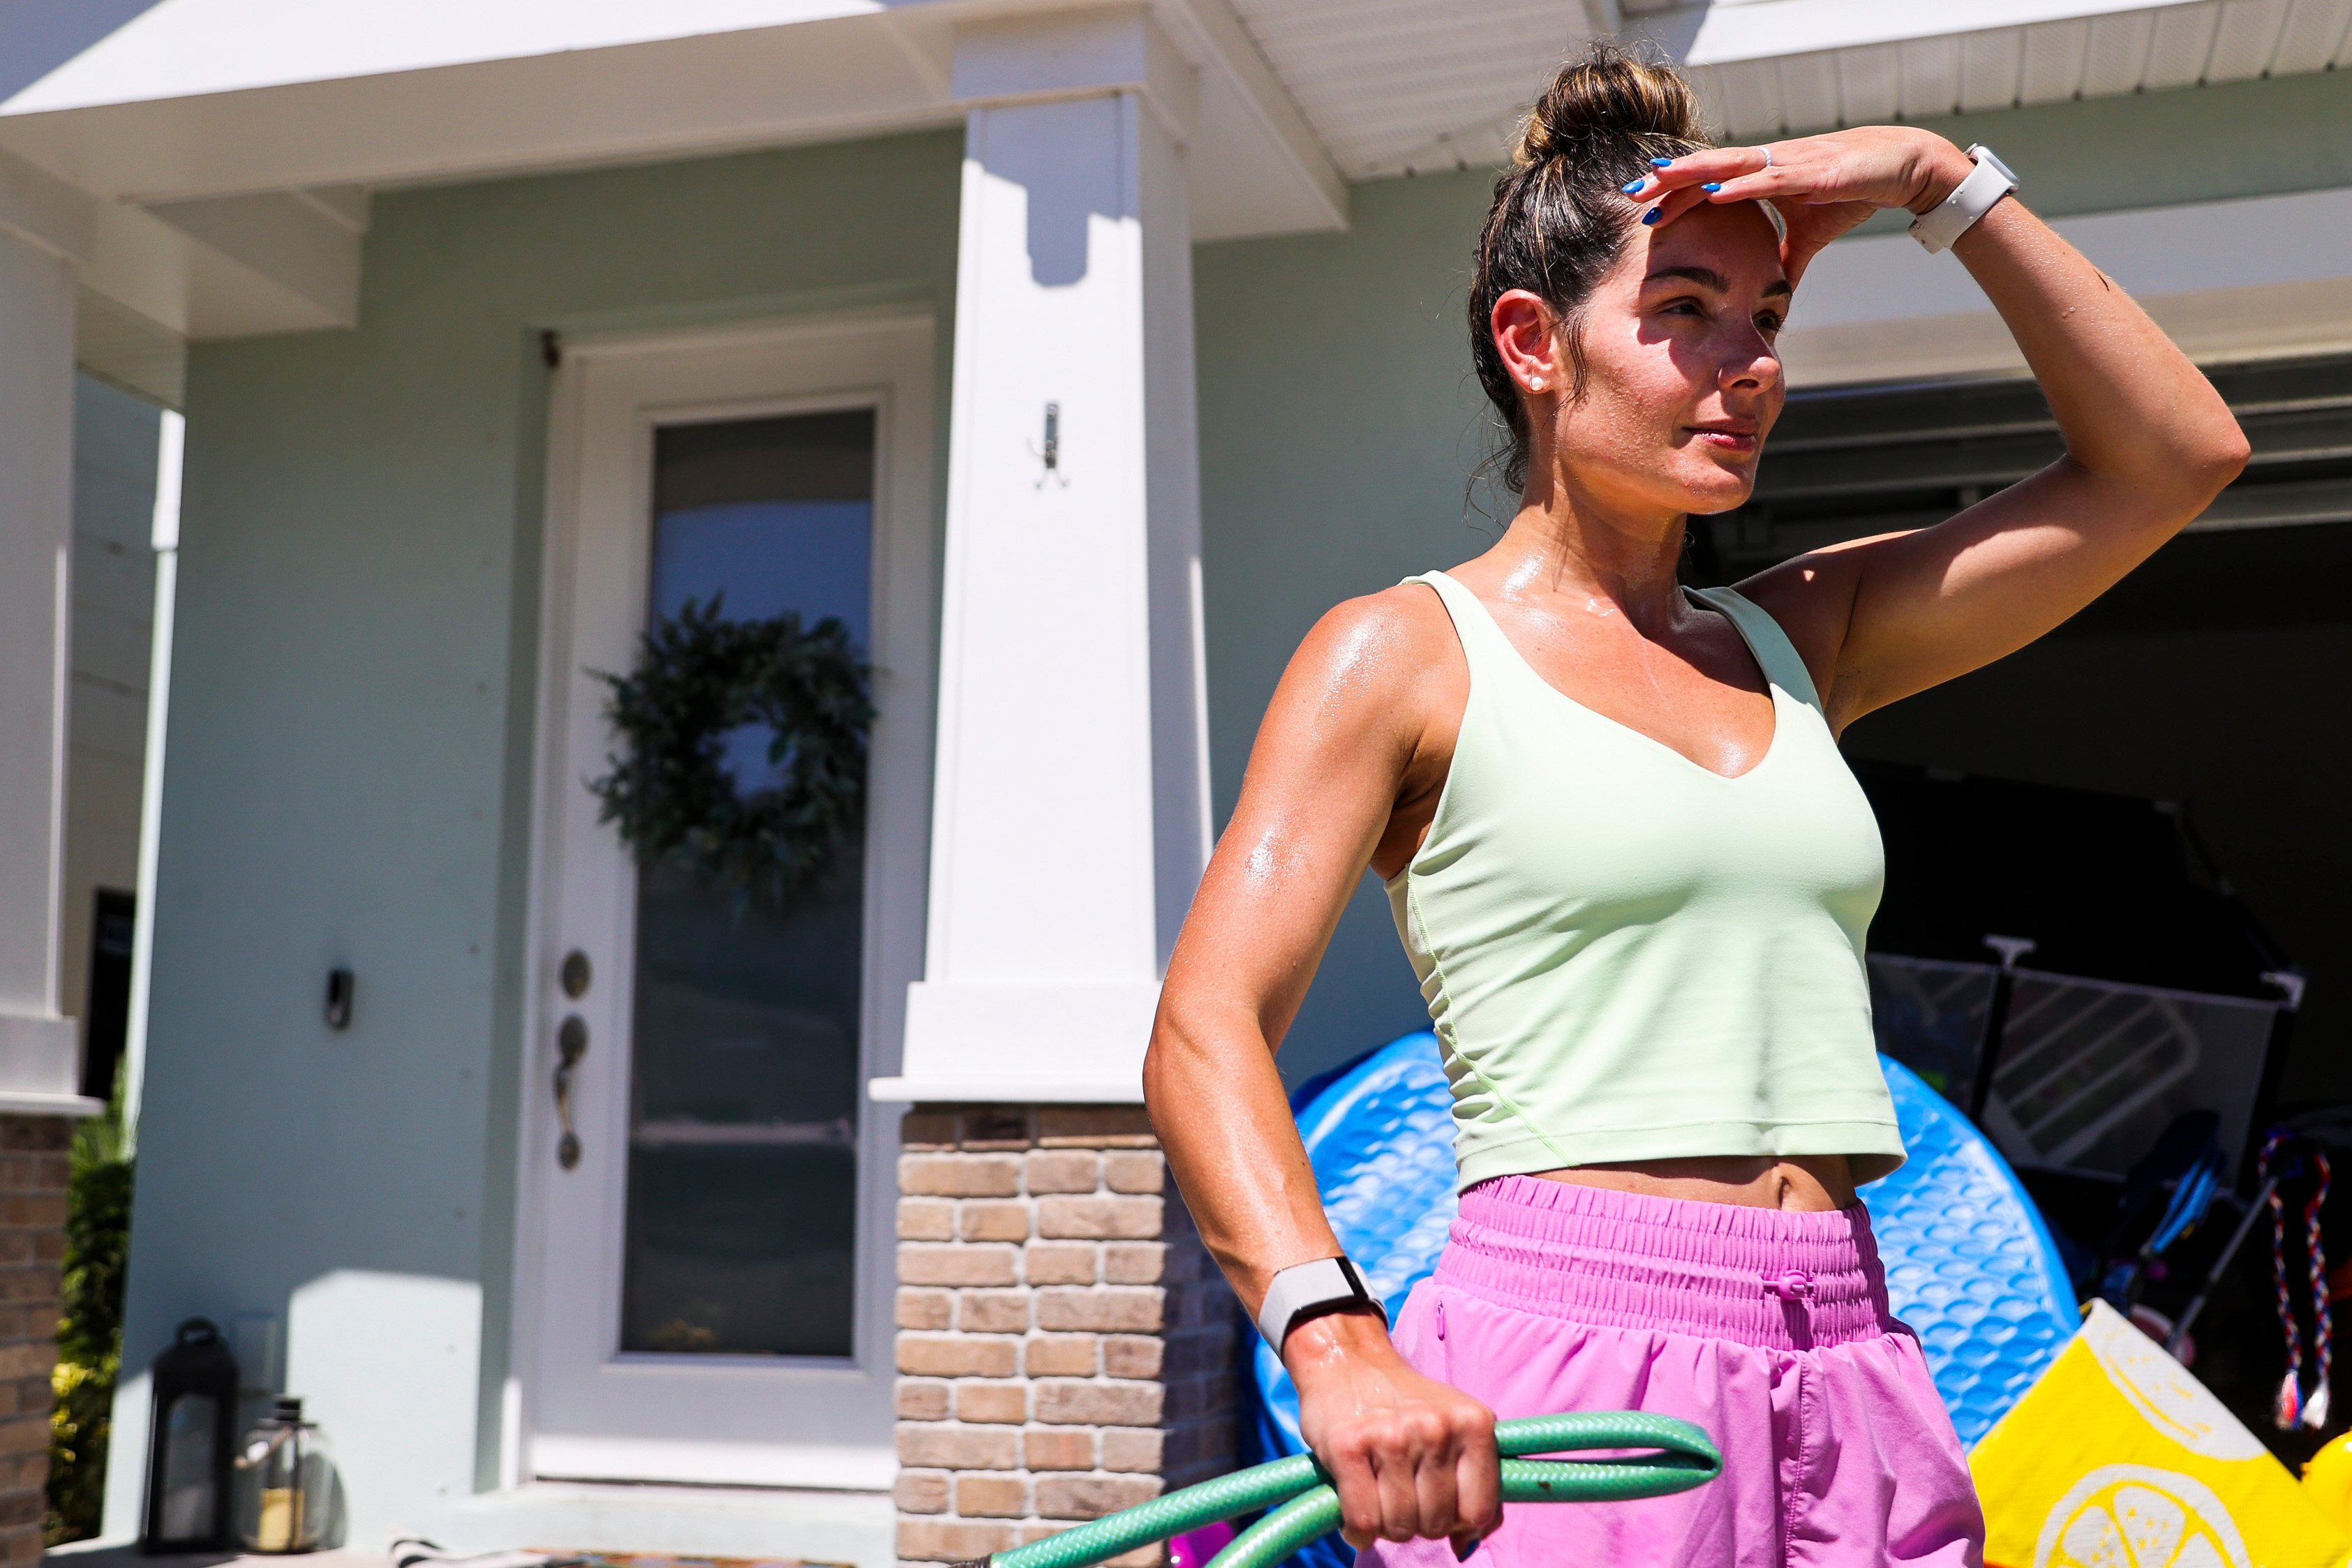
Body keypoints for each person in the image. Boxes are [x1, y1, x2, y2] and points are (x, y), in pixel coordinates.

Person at [1141, 40, 2247, 1568]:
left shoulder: (1803, 638)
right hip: (1571, 1367)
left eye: (1767, 316)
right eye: (1684, 312)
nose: (1749, 362)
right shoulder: (1400, 654)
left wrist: (1941, 184)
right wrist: (1329, 1336)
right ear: (1533, 343)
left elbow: (2173, 456)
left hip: (1854, 1349)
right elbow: (1203, 1029)